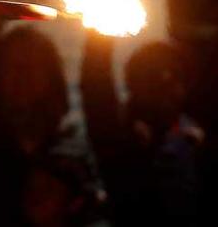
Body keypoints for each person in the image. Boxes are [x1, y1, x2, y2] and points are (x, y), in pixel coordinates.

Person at [81, 34, 203, 226]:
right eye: (153, 75)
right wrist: (99, 38)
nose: (165, 81)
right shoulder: (119, 138)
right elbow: (96, 90)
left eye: (175, 74)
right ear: (133, 83)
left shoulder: (197, 135)